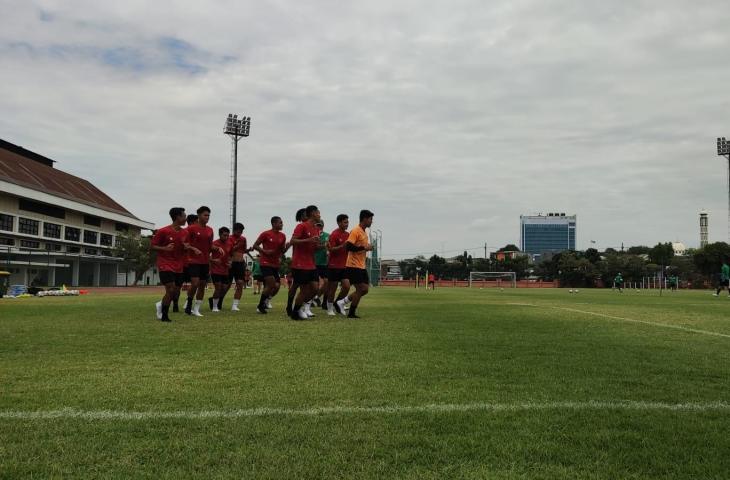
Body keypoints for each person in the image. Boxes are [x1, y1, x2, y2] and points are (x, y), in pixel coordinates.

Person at [150, 207, 187, 322]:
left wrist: (187, 248)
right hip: (165, 263)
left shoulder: (185, 232)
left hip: (179, 265)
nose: (185, 218)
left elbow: (184, 248)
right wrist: (164, 248)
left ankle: (160, 304)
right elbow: (152, 246)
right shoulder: (163, 231)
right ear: (177, 217)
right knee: (170, 289)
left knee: (176, 292)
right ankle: (164, 316)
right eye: (184, 216)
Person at [336, 210, 374, 319]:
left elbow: (362, 248)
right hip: (353, 265)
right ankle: (351, 313)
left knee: (365, 289)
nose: (372, 222)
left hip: (361, 266)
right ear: (365, 219)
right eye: (371, 219)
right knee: (361, 289)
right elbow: (348, 246)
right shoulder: (356, 231)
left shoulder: (364, 232)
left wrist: (368, 248)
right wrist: (364, 247)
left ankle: (342, 302)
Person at [184, 206, 220, 317]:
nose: (207, 217)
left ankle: (196, 309)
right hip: (193, 261)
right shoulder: (190, 229)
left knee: (202, 285)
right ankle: (189, 303)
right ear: (199, 215)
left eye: (208, 215)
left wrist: (217, 248)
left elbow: (210, 245)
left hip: (205, 262)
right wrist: (193, 249)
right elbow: (184, 244)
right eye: (205, 215)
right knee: (195, 283)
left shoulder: (210, 230)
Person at [289, 205, 322, 320]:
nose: (320, 215)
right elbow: (293, 241)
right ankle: (295, 312)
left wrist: (322, 246)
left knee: (315, 289)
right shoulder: (301, 226)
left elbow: (314, 247)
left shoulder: (317, 229)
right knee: (304, 290)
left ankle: (300, 308)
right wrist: (309, 240)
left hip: (311, 264)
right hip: (300, 264)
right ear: (313, 213)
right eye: (318, 213)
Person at [251, 216, 288, 314]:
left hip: (275, 264)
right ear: (274, 224)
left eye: (282, 223)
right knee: (271, 284)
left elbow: (282, 251)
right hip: (265, 263)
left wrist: (288, 246)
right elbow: (255, 245)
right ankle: (260, 306)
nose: (282, 224)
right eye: (280, 223)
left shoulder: (283, 236)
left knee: (277, 286)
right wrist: (264, 251)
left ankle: (266, 301)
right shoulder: (265, 234)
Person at [326, 214, 350, 316]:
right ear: (339, 223)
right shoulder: (334, 234)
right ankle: (330, 309)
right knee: (333, 288)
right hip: (334, 266)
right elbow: (330, 249)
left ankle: (338, 303)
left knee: (346, 286)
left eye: (347, 222)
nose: (347, 224)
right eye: (345, 222)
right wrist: (342, 246)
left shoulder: (348, 234)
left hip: (344, 266)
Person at [174, 213, 197, 312]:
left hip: (193, 263)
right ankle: (175, 304)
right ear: (192, 222)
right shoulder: (185, 232)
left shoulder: (197, 232)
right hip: (184, 263)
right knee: (178, 285)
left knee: (195, 283)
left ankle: (188, 303)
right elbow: (183, 245)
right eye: (197, 222)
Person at [286, 208, 307, 316]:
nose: (307, 216)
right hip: (298, 262)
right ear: (301, 217)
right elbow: (292, 241)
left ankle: (297, 307)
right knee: (296, 285)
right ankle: (291, 306)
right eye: (305, 215)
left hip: (308, 262)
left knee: (301, 285)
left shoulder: (311, 227)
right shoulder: (300, 227)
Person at [209, 226, 232, 312]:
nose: (226, 237)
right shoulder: (214, 244)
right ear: (219, 234)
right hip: (215, 270)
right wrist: (213, 260)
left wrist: (230, 262)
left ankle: (213, 300)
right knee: (218, 288)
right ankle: (215, 307)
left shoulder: (229, 244)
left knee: (224, 288)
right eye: (224, 235)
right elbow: (205, 255)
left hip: (225, 270)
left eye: (227, 235)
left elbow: (230, 255)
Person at [228, 222, 248, 312]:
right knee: (226, 285)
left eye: (241, 231)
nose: (240, 233)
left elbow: (244, 250)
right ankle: (217, 301)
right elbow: (228, 250)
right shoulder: (229, 238)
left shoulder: (243, 239)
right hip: (231, 263)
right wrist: (237, 246)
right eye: (239, 231)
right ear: (234, 230)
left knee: (240, 283)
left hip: (240, 264)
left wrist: (249, 250)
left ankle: (235, 305)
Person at [314, 220, 329, 310]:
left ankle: (321, 300)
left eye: (320, 225)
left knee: (327, 282)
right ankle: (311, 299)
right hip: (313, 262)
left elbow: (329, 247)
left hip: (324, 263)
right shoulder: (313, 236)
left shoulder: (327, 235)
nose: (319, 227)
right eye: (317, 225)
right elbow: (315, 247)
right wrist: (324, 245)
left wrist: (328, 251)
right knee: (316, 284)